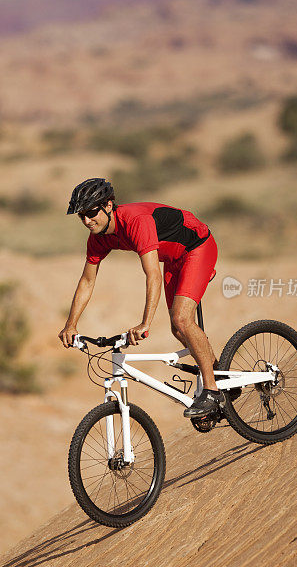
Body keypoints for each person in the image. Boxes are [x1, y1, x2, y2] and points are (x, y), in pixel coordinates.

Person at [58, 177, 225, 419]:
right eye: (81, 215)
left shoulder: (135, 221)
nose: (86, 220)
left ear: (108, 205)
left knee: (181, 319)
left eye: (91, 212)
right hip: (173, 259)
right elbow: (87, 281)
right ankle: (220, 374)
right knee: (178, 331)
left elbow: (152, 276)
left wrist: (145, 323)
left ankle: (212, 391)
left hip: (197, 248)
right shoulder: (98, 238)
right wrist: (70, 324)